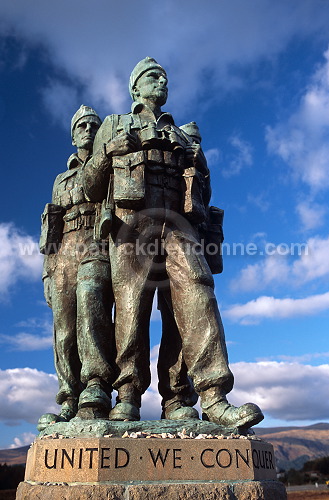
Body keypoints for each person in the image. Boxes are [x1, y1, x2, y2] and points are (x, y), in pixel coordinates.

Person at [83, 58, 263, 429]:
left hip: (180, 224)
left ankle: (202, 397)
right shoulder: (115, 124)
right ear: (136, 88)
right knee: (133, 307)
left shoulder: (182, 134)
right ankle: (128, 394)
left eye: (164, 77)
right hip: (132, 221)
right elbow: (89, 186)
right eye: (153, 77)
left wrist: (202, 165)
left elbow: (203, 192)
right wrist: (108, 151)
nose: (161, 81)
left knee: (196, 295)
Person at [39, 106, 114, 428]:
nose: (86, 129)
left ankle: (96, 385)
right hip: (64, 253)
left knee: (91, 301)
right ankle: (69, 397)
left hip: (97, 242)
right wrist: (47, 271)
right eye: (81, 125)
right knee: (64, 328)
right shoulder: (61, 179)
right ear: (72, 135)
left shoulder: (107, 165)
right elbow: (50, 230)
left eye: (92, 125)